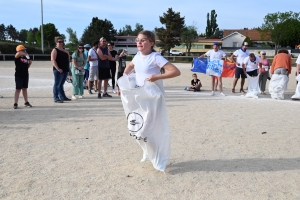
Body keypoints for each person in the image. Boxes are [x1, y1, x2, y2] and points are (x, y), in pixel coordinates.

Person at [123, 30, 181, 172]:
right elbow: (130, 66)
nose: (139, 42)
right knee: (137, 128)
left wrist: (156, 77)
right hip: (140, 99)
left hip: (153, 99)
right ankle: (148, 152)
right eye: (138, 40)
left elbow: (175, 71)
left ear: (151, 43)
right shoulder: (137, 56)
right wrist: (125, 77)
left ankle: (158, 159)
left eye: (143, 40)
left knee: (146, 130)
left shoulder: (155, 57)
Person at [51, 36, 71, 103]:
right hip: (58, 70)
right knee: (57, 84)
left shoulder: (65, 50)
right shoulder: (55, 50)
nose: (60, 43)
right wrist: (58, 68)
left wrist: (69, 69)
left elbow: (68, 60)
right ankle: (56, 98)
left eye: (62, 42)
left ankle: (62, 96)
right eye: (59, 42)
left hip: (65, 69)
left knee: (61, 84)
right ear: (56, 42)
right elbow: (53, 60)